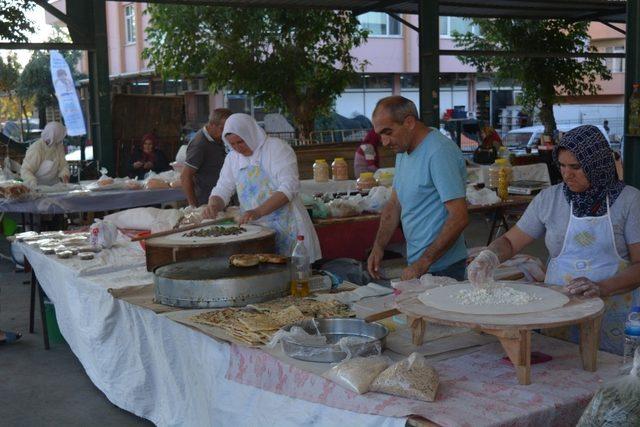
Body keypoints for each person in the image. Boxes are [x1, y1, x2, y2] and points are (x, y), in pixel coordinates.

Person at [467, 125, 640, 355]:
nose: (567, 174)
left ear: (597, 164)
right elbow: (510, 241)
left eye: (576, 167)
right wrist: (489, 257)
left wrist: (601, 287)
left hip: (613, 315)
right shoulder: (550, 199)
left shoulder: (629, 201)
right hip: (560, 311)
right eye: (562, 166)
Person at [366, 96, 469, 281]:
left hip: (444, 268)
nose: (385, 142)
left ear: (409, 122)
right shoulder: (403, 150)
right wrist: (378, 246)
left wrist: (423, 263)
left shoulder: (438, 152)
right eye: (380, 134)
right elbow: (394, 204)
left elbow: (459, 217)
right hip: (421, 263)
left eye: (388, 132)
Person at [203, 113, 321, 261]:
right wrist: (214, 205)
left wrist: (259, 211)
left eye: (241, 142)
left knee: (295, 274)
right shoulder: (232, 158)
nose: (238, 148)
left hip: (288, 226)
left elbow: (289, 186)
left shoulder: (276, 148)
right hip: (257, 232)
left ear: (251, 134)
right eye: (232, 144)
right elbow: (222, 188)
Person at [181, 109, 232, 207]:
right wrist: (194, 207)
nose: (226, 132)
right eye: (223, 129)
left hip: (226, 197)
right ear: (212, 125)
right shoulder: (199, 144)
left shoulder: (221, 138)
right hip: (207, 201)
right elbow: (185, 177)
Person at [20, 121, 70, 187]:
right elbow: (25, 170)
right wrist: (32, 182)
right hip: (38, 187)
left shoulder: (58, 146)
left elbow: (63, 165)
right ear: (54, 136)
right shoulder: (37, 148)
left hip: (55, 187)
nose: (60, 140)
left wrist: (65, 174)